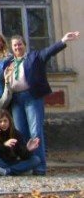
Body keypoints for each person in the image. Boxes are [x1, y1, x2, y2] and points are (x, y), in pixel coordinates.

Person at [6, 30, 80, 175]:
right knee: (21, 133)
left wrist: (63, 40)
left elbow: (48, 52)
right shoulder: (9, 63)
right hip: (16, 99)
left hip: (32, 97)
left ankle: (39, 167)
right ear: (12, 48)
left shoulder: (34, 57)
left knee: (35, 132)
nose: (17, 47)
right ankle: (27, 165)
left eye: (20, 44)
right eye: (15, 45)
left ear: (24, 45)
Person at [0, 108, 41, 175]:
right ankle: (17, 171)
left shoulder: (16, 134)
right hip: (0, 161)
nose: (3, 124)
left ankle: (7, 171)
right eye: (0, 122)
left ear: (9, 121)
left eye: (5, 121)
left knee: (36, 159)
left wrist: (27, 150)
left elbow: (22, 155)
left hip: (13, 161)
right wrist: (4, 145)